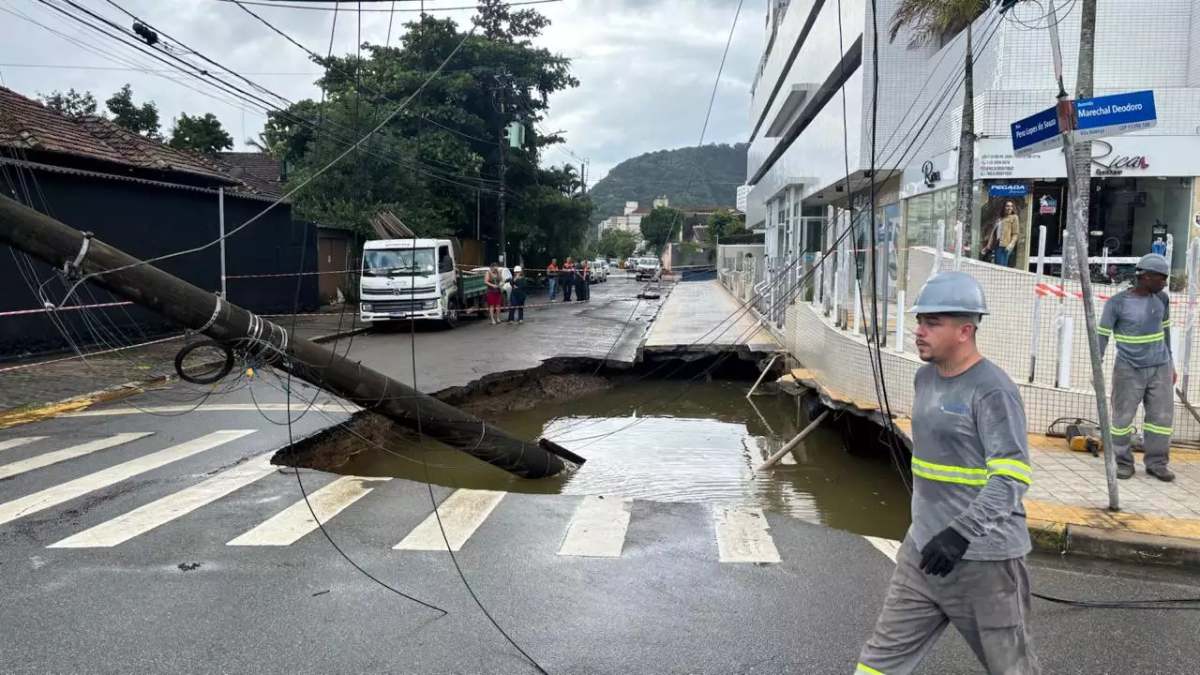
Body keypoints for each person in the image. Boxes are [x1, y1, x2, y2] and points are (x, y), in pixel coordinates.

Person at [855, 271, 1039, 675]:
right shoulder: (925, 378)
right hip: (923, 550)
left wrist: (961, 532)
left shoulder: (992, 390)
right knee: (878, 662)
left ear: (965, 331)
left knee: (1011, 667)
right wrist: (932, 533)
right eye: (920, 320)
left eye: (932, 323)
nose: (918, 331)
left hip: (984, 561)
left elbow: (1012, 476)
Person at [1098, 252, 1176, 482]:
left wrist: (1171, 364)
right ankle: (1123, 463)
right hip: (1128, 370)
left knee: (1161, 419)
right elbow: (1101, 336)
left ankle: (1157, 463)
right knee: (1122, 420)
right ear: (1147, 277)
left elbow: (1166, 333)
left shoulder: (1162, 300)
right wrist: (1097, 364)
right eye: (1162, 278)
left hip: (1160, 367)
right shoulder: (1117, 304)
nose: (1165, 282)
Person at [984, 200, 1020, 268]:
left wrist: (1011, 244)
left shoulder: (1014, 217)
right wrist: (988, 246)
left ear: (1013, 208)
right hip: (997, 244)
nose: (1009, 208)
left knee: (1001, 267)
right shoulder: (1000, 219)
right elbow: (994, 234)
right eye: (1007, 206)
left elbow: (1015, 233)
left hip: (1005, 245)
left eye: (1011, 206)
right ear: (1004, 207)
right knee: (997, 266)